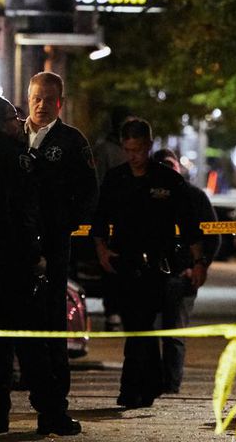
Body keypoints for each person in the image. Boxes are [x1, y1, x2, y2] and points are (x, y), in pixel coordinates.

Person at [0, 87, 81, 436]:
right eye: (13, 117)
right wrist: (35, 256)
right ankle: (50, 412)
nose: (19, 122)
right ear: (0, 122)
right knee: (31, 339)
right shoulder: (16, 158)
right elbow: (22, 213)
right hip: (12, 259)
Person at [92, 118, 207, 409]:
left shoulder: (168, 180)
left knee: (141, 324)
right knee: (137, 324)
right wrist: (102, 251)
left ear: (149, 146)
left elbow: (190, 225)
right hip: (124, 262)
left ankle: (134, 388)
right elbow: (99, 220)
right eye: (128, 150)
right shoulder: (116, 179)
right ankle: (146, 384)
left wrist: (198, 262)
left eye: (139, 150)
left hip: (158, 264)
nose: (134, 156)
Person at [23, 71, 98, 426]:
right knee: (15, 324)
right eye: (36, 98)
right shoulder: (13, 137)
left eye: (48, 99)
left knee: (52, 324)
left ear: (60, 103)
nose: (41, 105)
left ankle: (54, 406)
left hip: (53, 246)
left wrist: (63, 225)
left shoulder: (71, 141)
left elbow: (88, 192)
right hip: (17, 247)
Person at [152, 148, 221, 394]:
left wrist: (199, 265)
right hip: (151, 274)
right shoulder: (147, 195)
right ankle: (152, 383)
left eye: (170, 166)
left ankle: (170, 385)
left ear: (179, 168)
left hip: (183, 274)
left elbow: (212, 235)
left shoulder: (193, 196)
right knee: (148, 332)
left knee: (174, 332)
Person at [92, 106, 131, 331]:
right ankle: (113, 310)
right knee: (111, 264)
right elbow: (98, 183)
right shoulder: (106, 150)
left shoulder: (129, 149)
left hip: (131, 217)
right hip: (112, 217)